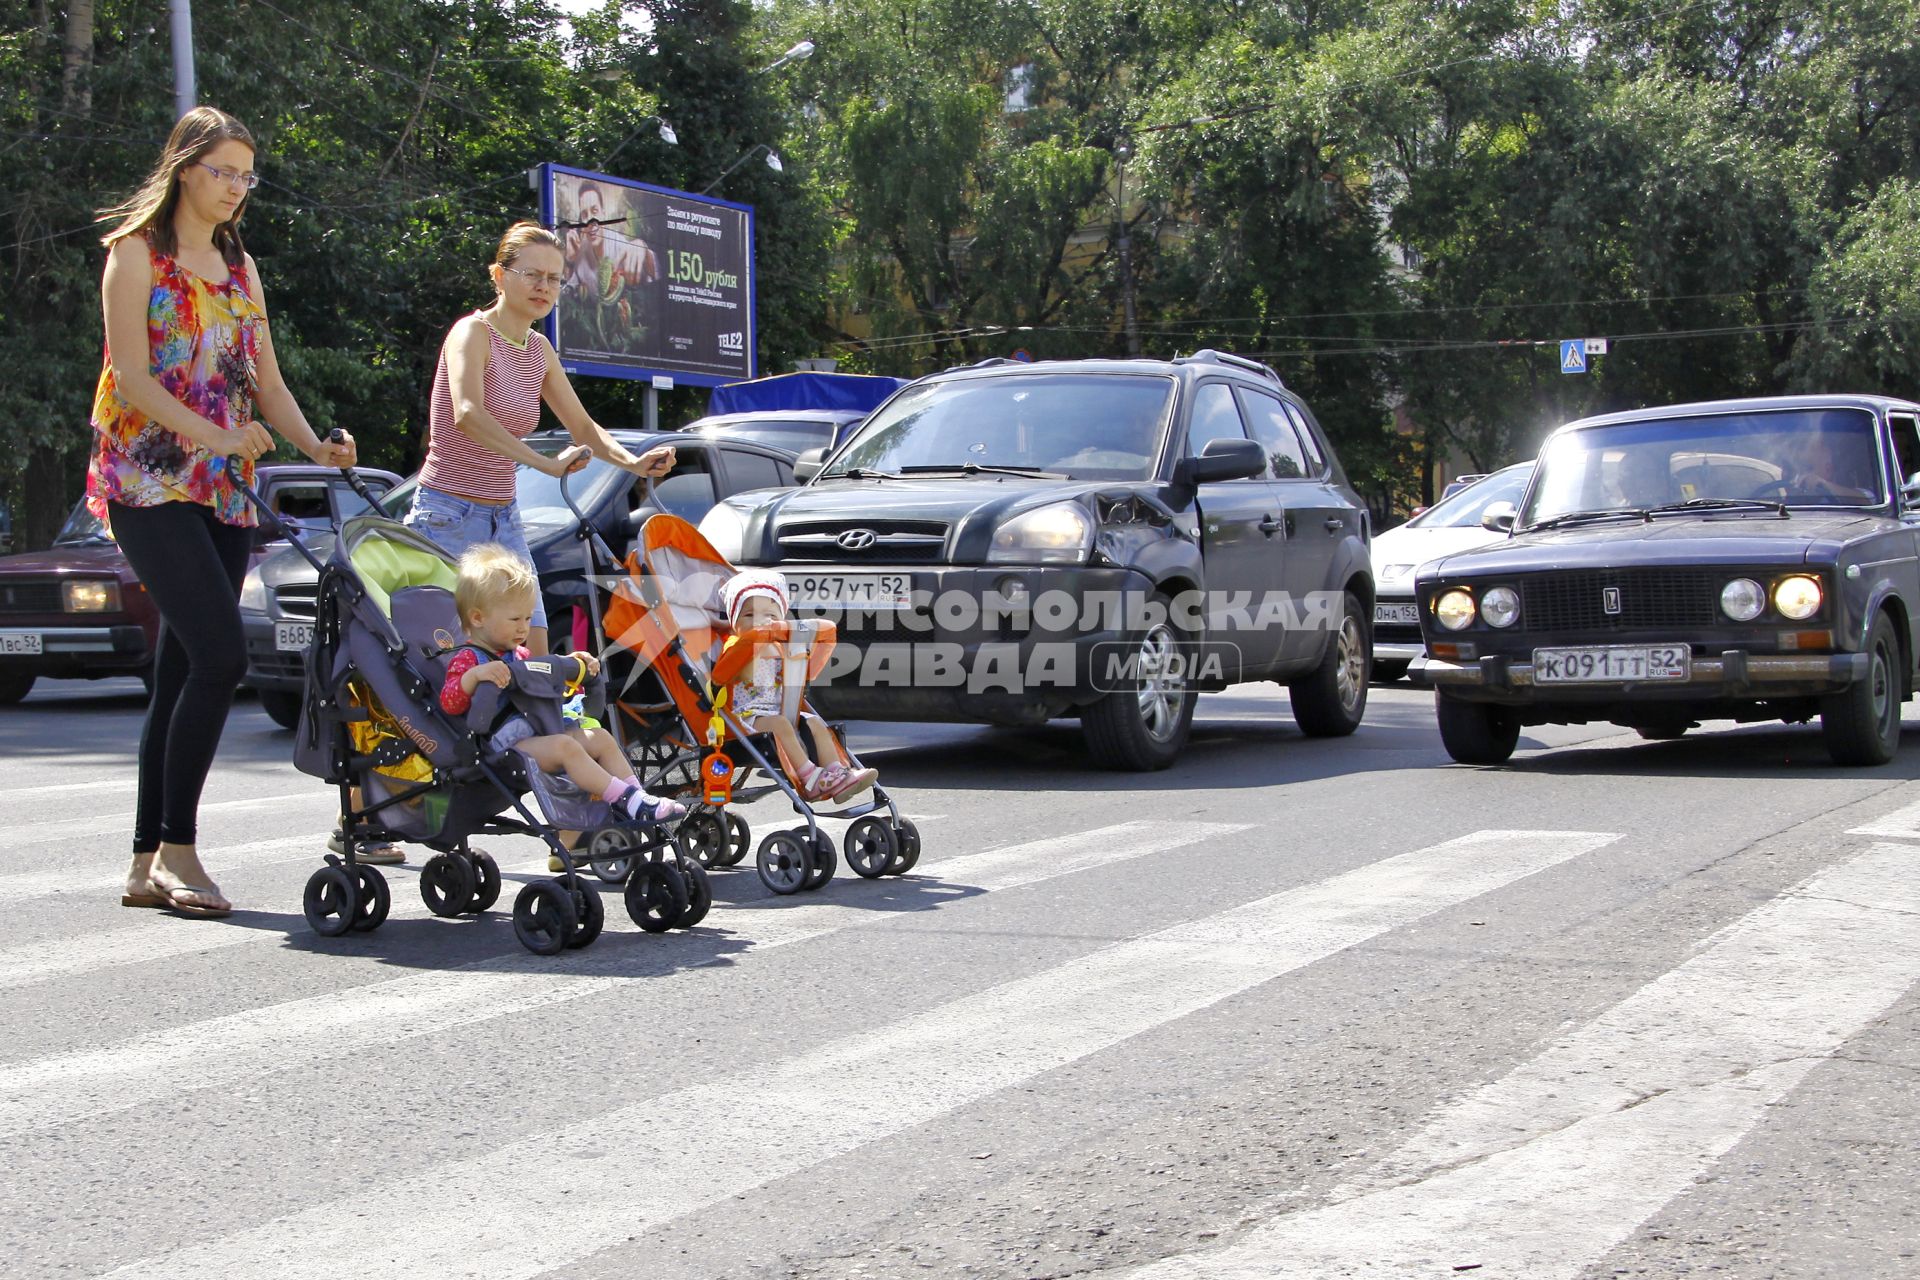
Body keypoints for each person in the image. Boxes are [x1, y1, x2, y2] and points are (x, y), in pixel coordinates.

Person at [93, 107, 358, 917]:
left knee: (179, 673)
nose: (238, 188)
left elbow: (267, 383)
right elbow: (132, 378)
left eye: (247, 175)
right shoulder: (134, 256)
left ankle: (144, 863)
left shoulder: (242, 270)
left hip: (222, 489)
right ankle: (179, 849)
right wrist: (214, 434)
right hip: (147, 481)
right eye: (225, 171)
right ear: (185, 169)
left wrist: (315, 446)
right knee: (220, 658)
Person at [408, 220, 675, 657]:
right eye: (531, 274)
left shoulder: (539, 350)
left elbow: (584, 428)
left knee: (534, 650)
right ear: (499, 276)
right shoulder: (472, 333)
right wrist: (545, 464)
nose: (543, 287)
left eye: (554, 279)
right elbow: (467, 415)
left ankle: (540, 727)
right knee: (452, 657)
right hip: (447, 513)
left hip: (504, 516)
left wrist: (634, 463)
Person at [440, 544, 686, 825]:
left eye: (528, 618)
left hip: (537, 732)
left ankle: (636, 799)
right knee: (565, 747)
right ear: (478, 618)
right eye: (515, 619)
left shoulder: (518, 655)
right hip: (503, 746)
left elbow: (539, 679)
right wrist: (474, 677)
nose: (524, 627)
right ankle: (623, 798)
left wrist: (571, 664)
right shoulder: (468, 658)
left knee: (601, 738)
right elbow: (449, 702)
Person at [720, 570, 878, 802]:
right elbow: (729, 673)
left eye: (769, 616)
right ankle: (811, 778)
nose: (760, 622)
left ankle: (837, 773)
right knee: (782, 724)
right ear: (735, 623)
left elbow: (803, 674)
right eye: (749, 615)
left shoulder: (783, 646)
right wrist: (755, 644)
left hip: (779, 711)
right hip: (745, 717)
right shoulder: (736, 645)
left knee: (815, 722)